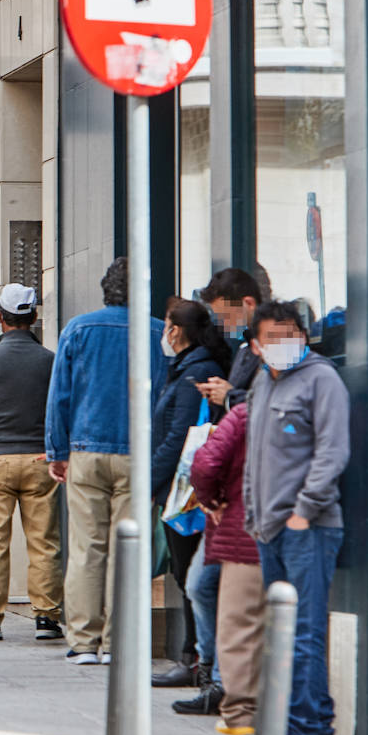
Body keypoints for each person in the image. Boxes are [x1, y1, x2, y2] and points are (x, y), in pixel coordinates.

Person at [242, 300, 349, 735]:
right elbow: (254, 453)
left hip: (308, 527)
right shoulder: (262, 381)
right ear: (255, 346)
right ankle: (295, 722)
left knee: (303, 630)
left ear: (303, 337)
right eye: (273, 338)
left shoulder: (322, 379)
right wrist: (253, 513)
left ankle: (310, 729)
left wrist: (304, 511)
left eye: (292, 335)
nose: (285, 345)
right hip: (269, 529)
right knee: (282, 631)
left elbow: (332, 451)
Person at [45, 258, 165, 665]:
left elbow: (59, 396)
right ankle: (119, 642)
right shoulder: (157, 333)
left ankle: (83, 641)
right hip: (138, 452)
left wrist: (57, 452)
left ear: (105, 289)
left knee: (85, 548)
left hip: (86, 449)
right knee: (127, 549)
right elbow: (164, 401)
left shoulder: (78, 329)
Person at [0, 284, 64, 642]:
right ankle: (47, 617)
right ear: (33, 317)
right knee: (45, 542)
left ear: (1, 318)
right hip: (40, 460)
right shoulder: (50, 360)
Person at [151, 299, 231, 705]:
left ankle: (198, 660)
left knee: (191, 579)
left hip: (187, 494)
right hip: (183, 491)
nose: (164, 331)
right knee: (188, 579)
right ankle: (195, 658)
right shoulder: (187, 368)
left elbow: (179, 438)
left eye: (167, 323)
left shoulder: (195, 373)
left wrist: (148, 480)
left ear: (177, 331)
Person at [190, 402, 262, 735]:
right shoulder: (316, 403)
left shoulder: (247, 412)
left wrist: (211, 499)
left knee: (239, 622)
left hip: (243, 531)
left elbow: (205, 463)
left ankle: (240, 712)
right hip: (296, 530)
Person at [197, 268, 266, 411]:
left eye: (226, 316)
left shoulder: (276, 345)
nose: (223, 324)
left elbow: (274, 404)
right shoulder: (245, 349)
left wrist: (229, 396)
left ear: (249, 303)